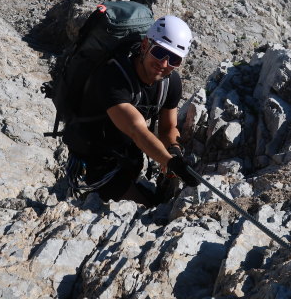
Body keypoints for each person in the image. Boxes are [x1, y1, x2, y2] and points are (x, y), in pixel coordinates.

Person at [66, 15, 200, 206]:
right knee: (150, 210)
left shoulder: (171, 84)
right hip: (94, 162)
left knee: (156, 203)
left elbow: (168, 128)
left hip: (127, 156)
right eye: (160, 53)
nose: (164, 64)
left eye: (174, 59)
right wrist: (170, 162)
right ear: (145, 45)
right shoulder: (113, 76)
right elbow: (136, 130)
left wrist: (175, 152)